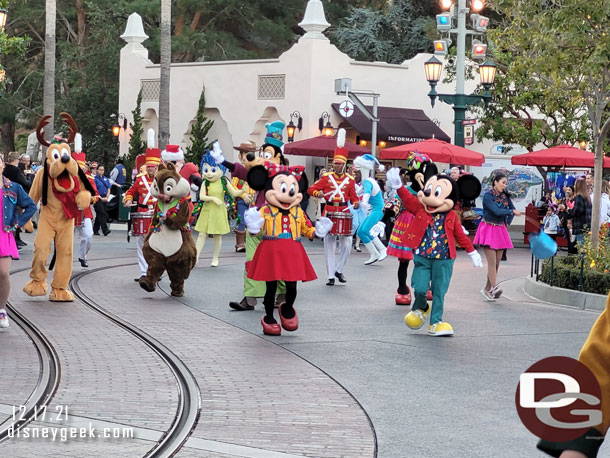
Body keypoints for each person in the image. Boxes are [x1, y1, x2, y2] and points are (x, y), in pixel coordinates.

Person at [307, 129, 359, 285]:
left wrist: (356, 204)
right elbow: (311, 189)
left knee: (347, 244)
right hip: (329, 212)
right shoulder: (326, 178)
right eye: (335, 164)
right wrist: (319, 194)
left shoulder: (350, 181)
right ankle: (330, 275)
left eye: (340, 164)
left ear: (344, 165)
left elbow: (355, 198)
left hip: (344, 211)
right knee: (329, 245)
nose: (337, 166)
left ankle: (339, 270)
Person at [0, 155, 37, 328]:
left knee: (3, 273)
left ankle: (2, 310)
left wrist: (18, 223)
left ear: (3, 166)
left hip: (4, 234)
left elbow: (30, 206)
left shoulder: (12, 187)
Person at [473, 173, 521, 301]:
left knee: (497, 263)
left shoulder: (505, 196)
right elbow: (496, 211)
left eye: (506, 183)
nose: (505, 185)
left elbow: (512, 208)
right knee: (492, 262)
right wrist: (510, 212)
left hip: (500, 229)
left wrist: (509, 220)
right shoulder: (488, 196)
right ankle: (494, 288)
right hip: (488, 228)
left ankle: (487, 289)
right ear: (495, 182)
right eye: (503, 182)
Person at [123, 133, 161, 281]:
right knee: (141, 244)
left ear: (157, 167)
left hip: (158, 214)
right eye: (149, 167)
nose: (151, 169)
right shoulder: (139, 180)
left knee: (157, 244)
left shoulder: (162, 179)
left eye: (153, 167)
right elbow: (130, 192)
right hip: (143, 212)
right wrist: (128, 199)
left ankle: (156, 270)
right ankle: (144, 272)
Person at [353, 154, 387, 264]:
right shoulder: (367, 181)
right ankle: (374, 253)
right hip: (374, 210)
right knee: (360, 232)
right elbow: (359, 192)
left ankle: (382, 249)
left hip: (378, 210)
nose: (355, 175)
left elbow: (366, 193)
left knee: (365, 230)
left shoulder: (367, 181)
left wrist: (364, 202)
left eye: (356, 172)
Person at [72, 137, 99, 268]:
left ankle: (82, 256)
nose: (79, 169)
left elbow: (96, 195)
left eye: (81, 167)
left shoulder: (89, 179)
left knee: (88, 236)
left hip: (85, 211)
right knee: (63, 238)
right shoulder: (66, 178)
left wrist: (90, 199)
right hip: (69, 211)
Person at [3, 152, 32, 249]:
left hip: (6, 196)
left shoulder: (5, 170)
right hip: (16, 196)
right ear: (16, 160)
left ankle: (15, 240)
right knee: (15, 218)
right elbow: (24, 183)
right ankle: (15, 240)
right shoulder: (17, 171)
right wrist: (30, 179)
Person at [569, 177, 592, 245]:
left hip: (580, 226)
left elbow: (578, 211)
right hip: (587, 226)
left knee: (581, 249)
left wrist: (570, 210)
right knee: (585, 248)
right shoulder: (587, 197)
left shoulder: (579, 197)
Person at [93, 165, 112, 236]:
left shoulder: (106, 179)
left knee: (100, 214)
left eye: (102, 170)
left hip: (105, 197)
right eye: (100, 169)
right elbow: (95, 189)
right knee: (102, 213)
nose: (101, 171)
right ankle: (105, 230)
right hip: (98, 197)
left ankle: (95, 229)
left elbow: (109, 188)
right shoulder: (95, 179)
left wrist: (107, 197)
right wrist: (100, 197)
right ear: (97, 170)